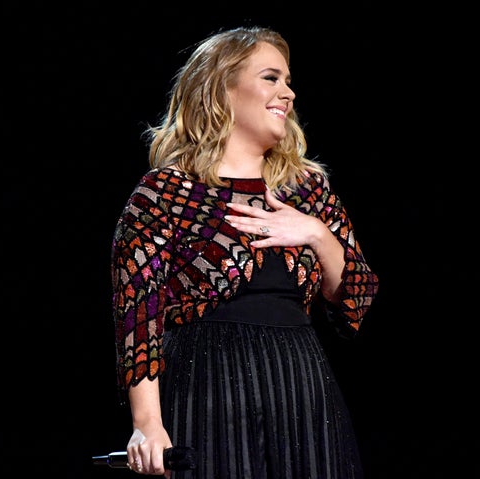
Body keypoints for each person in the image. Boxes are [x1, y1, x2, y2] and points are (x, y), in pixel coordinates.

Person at [110, 26, 379, 478]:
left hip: (301, 387)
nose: (288, 93)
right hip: (207, 384)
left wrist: (316, 233)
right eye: (271, 78)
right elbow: (138, 312)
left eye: (289, 81)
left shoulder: (307, 191)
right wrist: (147, 424)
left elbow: (357, 297)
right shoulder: (164, 193)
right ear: (222, 90)